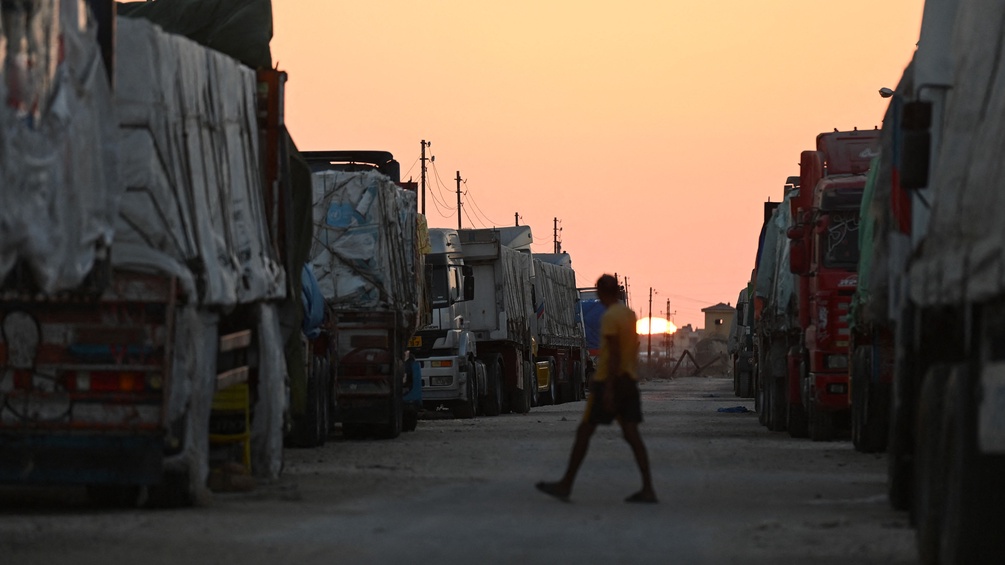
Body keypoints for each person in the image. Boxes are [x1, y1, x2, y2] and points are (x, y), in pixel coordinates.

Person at [536, 274, 657, 503]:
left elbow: (614, 355)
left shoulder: (610, 316)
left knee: (584, 432)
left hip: (610, 382)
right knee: (632, 435)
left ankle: (566, 484)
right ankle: (648, 488)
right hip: (628, 380)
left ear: (601, 292)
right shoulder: (628, 315)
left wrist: (608, 388)